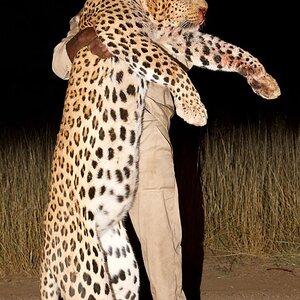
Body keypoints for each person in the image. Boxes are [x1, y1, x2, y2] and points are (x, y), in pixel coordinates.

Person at [52, 11, 201, 300]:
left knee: (159, 230)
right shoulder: (91, 12)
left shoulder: (167, 9)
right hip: (92, 128)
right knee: (91, 237)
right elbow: (59, 63)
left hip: (143, 122)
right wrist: (85, 39)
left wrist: (126, 39)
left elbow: (184, 57)